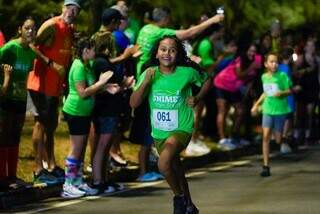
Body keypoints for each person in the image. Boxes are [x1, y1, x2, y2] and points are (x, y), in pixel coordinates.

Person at [130, 35, 211, 214]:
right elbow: (134, 103)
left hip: (181, 127)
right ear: (157, 53)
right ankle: (189, 205)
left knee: (163, 163)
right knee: (175, 167)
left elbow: (207, 80)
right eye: (163, 49)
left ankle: (179, 197)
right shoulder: (150, 73)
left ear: (178, 53)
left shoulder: (187, 72)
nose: (167, 53)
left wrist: (197, 98)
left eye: (172, 50)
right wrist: (145, 83)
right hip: (159, 132)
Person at [26, 0, 81, 185]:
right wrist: (50, 63)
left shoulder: (69, 29)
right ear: (63, 7)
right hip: (40, 83)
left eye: (76, 10)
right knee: (41, 124)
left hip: (55, 85)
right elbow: (32, 45)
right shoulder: (51, 25)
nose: (72, 12)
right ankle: (38, 169)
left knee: (51, 125)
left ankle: (51, 164)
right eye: (69, 7)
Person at [61, 37, 113, 198]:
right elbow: (83, 93)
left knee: (81, 149)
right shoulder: (78, 67)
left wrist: (106, 87)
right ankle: (68, 184)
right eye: (92, 49)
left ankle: (77, 181)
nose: (94, 52)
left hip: (84, 113)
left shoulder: (87, 66)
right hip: (75, 111)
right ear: (85, 51)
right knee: (76, 149)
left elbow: (91, 88)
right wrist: (102, 81)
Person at [0, 17, 37, 191]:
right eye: (27, 28)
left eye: (33, 29)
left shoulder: (30, 52)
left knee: (15, 136)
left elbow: (28, 75)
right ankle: (2, 177)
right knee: (4, 136)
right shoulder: (9, 48)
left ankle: (12, 176)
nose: (31, 31)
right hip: (6, 99)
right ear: (20, 29)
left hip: (21, 99)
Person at [251, 52, 298, 177]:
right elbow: (265, 93)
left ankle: (287, 139)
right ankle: (266, 166)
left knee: (277, 140)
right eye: (271, 62)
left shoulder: (282, 76)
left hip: (280, 110)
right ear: (266, 64)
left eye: (276, 62)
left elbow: (290, 90)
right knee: (265, 136)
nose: (274, 64)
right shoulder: (264, 77)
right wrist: (256, 105)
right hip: (267, 109)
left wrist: (282, 93)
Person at [214, 43, 262, 150]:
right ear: (246, 51)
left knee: (241, 111)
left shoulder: (257, 61)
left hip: (234, 88)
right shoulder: (241, 59)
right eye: (250, 50)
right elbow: (240, 74)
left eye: (254, 51)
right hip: (222, 83)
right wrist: (251, 67)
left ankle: (233, 136)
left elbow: (252, 79)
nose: (252, 53)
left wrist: (247, 93)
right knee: (223, 110)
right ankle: (222, 139)